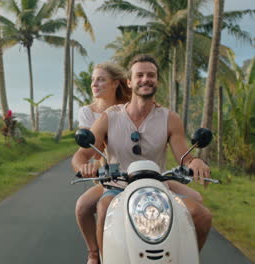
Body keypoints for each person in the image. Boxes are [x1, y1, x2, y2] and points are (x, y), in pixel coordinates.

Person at [72, 54, 212, 262]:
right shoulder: (110, 116)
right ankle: (99, 257)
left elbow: (185, 157)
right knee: (103, 207)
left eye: (151, 75)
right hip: (117, 185)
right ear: (130, 82)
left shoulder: (169, 118)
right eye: (139, 75)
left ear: (157, 81)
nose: (145, 79)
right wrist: (85, 166)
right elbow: (82, 154)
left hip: (158, 186)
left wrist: (196, 161)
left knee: (202, 216)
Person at [75, 62, 130, 264]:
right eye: (93, 80)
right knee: (82, 207)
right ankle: (94, 253)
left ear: (116, 83)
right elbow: (91, 152)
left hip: (141, 172)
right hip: (109, 174)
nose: (94, 84)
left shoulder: (129, 107)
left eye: (100, 79)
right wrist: (85, 167)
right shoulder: (88, 113)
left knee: (194, 200)